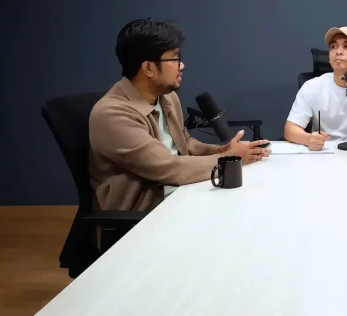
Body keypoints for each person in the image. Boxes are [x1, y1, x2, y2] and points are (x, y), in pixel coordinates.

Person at [89, 18, 270, 212]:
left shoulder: (166, 97)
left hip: (182, 193)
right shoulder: (112, 115)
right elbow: (167, 168)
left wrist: (221, 151)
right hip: (145, 215)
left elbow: (185, 143)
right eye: (174, 58)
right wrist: (228, 158)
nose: (181, 65)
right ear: (148, 68)